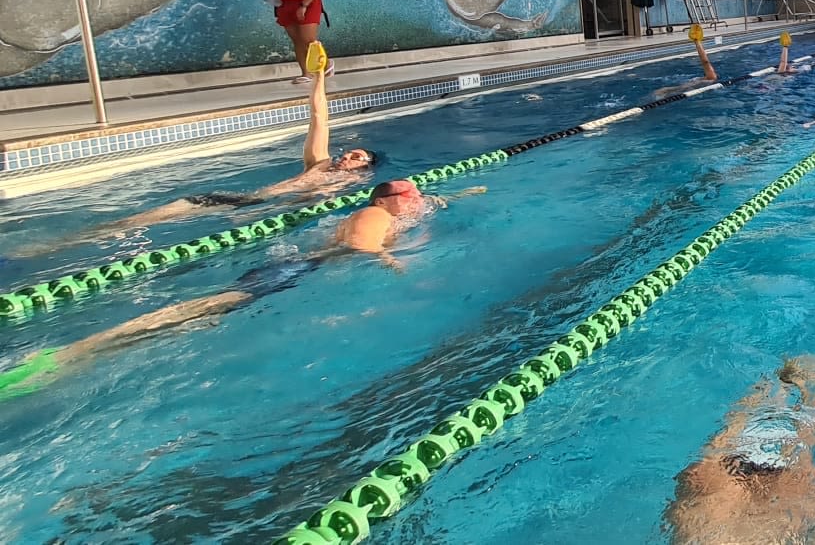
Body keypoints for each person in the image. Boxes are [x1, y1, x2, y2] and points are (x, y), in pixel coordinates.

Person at [0, 179, 475, 399]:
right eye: (410, 192)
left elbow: (428, 205)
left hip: (298, 270)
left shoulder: (396, 208)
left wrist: (457, 196)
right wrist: (389, 259)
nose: (417, 196)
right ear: (388, 199)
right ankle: (72, 354)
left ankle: (84, 352)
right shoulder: (374, 213)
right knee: (209, 307)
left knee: (206, 314)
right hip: (297, 271)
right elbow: (359, 242)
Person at [86, 42, 376, 239]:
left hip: (263, 214)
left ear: (364, 170)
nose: (346, 157)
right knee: (147, 219)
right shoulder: (319, 164)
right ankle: (92, 234)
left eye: (356, 157)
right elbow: (318, 117)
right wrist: (318, 78)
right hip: (245, 201)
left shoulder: (347, 188)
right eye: (349, 153)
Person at [663, 356, 815, 544]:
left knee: (703, 517)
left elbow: (725, 435)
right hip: (788, 465)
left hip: (734, 459)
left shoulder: (751, 408)